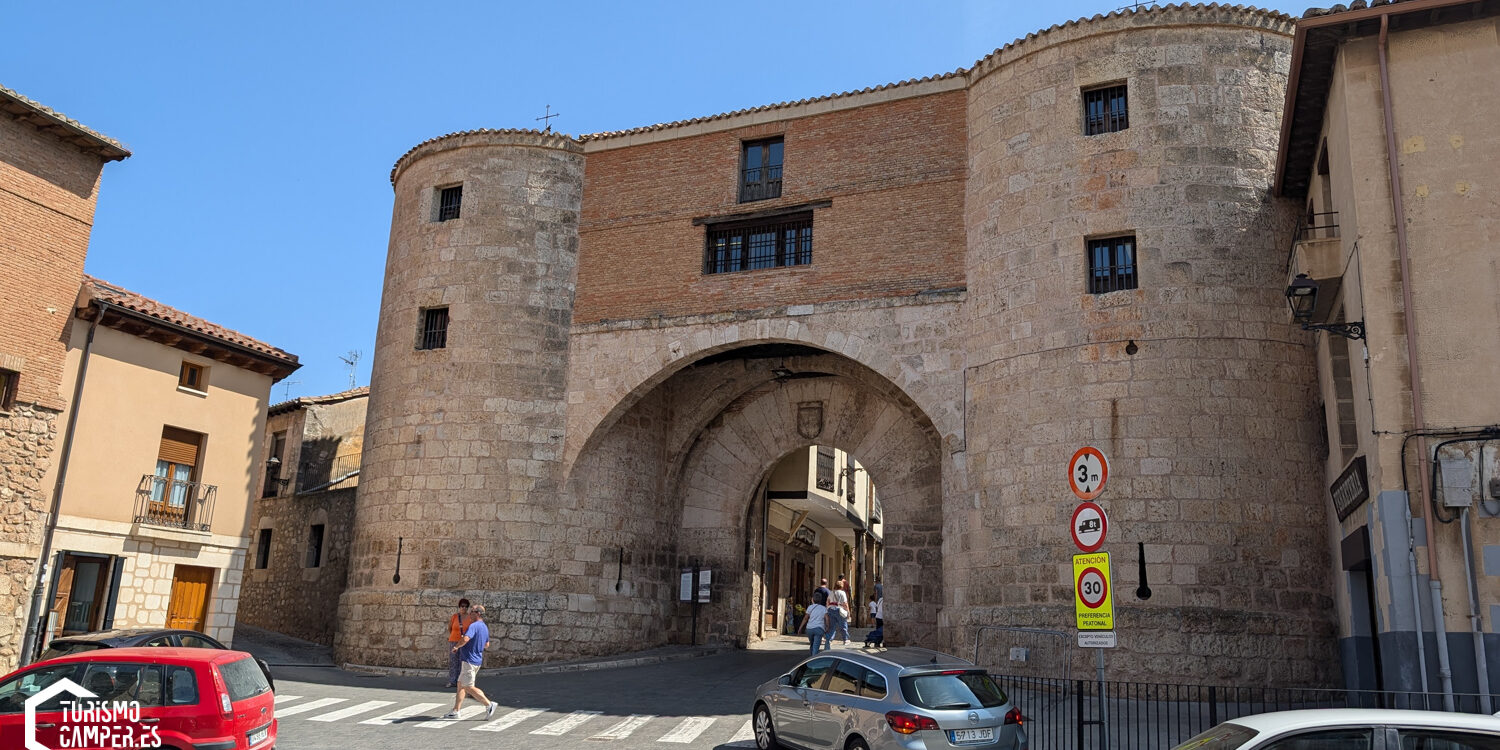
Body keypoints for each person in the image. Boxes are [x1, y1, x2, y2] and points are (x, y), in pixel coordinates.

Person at [444, 603, 497, 719]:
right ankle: (455, 711)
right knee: (460, 685)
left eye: (471, 611)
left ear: (477, 613)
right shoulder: (484, 627)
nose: (469, 613)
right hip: (476, 660)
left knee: (468, 686)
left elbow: (466, 638)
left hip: (469, 660)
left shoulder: (473, 626)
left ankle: (489, 704)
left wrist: (457, 647)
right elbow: (486, 645)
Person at [445, 598, 476, 688]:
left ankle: (460, 681)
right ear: (459, 607)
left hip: (465, 642)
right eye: (462, 606)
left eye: (466, 607)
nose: (464, 608)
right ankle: (452, 680)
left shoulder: (470, 618)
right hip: (454, 641)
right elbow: (450, 628)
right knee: (453, 661)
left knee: (462, 662)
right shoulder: (455, 616)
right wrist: (454, 636)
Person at [828, 580, 851, 646]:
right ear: (841, 586)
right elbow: (845, 603)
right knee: (843, 625)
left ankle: (829, 639)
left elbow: (828, 601)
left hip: (831, 609)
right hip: (840, 610)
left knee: (832, 626)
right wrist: (848, 611)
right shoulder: (842, 593)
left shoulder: (831, 592)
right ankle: (845, 639)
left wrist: (828, 608)